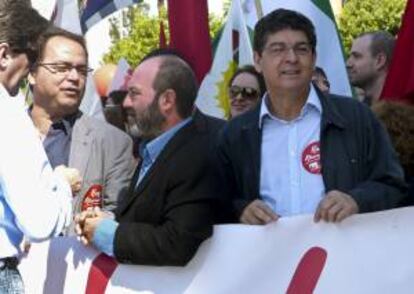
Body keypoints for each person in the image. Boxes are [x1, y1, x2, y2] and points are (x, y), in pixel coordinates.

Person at [215, 9, 406, 225]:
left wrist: (357, 200)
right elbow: (216, 202)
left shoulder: (356, 118)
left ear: (313, 58)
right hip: (268, 257)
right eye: (278, 49)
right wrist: (240, 210)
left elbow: (394, 186)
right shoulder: (234, 135)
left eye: (302, 49)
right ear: (258, 60)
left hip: (346, 255)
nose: (292, 58)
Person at [75, 52, 216, 266]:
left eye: (134, 93)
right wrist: (106, 220)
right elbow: (147, 216)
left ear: (167, 100)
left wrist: (106, 233)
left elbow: (176, 242)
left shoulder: (200, 153)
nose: (126, 104)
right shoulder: (153, 148)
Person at [28, 26, 135, 232]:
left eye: (82, 70)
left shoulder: (114, 143)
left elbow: (122, 213)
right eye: (62, 67)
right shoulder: (8, 134)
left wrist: (100, 222)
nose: (74, 77)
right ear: (32, 73)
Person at [0, 4, 74, 293]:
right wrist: (62, 184)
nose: (31, 77)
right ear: (4, 54)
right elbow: (40, 221)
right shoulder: (7, 113)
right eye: (31, 63)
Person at [346, 31, 395, 105]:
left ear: (379, 61)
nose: (348, 64)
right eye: (350, 57)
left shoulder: (405, 110)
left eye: (356, 56)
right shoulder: (358, 112)